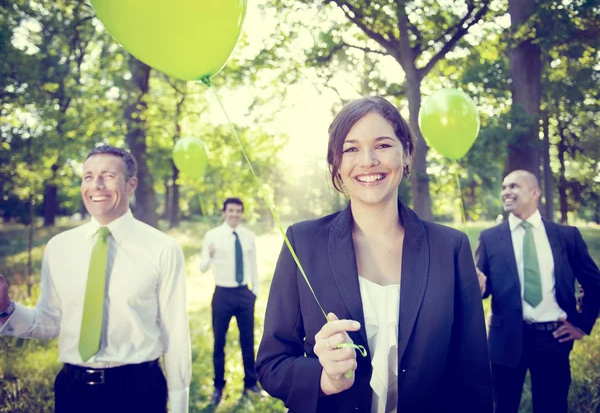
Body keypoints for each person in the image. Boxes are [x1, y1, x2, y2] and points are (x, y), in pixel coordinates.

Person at [256, 96, 492, 413]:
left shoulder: (451, 247)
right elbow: (271, 364)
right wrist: (324, 379)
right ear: (336, 166)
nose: (368, 160)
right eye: (351, 149)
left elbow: (473, 375)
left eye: (382, 145)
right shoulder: (302, 241)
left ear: (406, 155)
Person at [0, 145, 191, 413]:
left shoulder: (162, 248)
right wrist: (5, 308)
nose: (96, 185)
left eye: (108, 176)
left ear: (131, 184)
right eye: (88, 176)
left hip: (138, 392)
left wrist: (180, 404)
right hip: (73, 391)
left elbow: (176, 335)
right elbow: (50, 323)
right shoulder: (59, 247)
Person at [476, 170, 600, 413]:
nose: (507, 192)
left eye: (514, 186)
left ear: (535, 193)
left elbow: (594, 282)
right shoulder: (490, 238)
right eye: (504, 187)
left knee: (552, 406)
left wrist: (581, 324)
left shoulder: (566, 236)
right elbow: (482, 288)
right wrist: (476, 287)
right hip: (505, 339)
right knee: (503, 407)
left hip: (552, 338)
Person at [199, 197, 263, 405]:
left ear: (242, 214)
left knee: (247, 341)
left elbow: (253, 265)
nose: (234, 214)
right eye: (231, 210)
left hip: (244, 294)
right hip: (222, 295)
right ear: (224, 212)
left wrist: (255, 292)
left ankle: (251, 383)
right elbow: (202, 267)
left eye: (238, 211)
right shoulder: (212, 235)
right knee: (219, 342)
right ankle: (219, 386)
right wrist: (209, 255)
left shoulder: (248, 236)